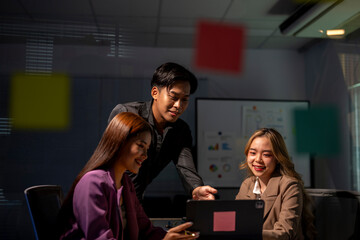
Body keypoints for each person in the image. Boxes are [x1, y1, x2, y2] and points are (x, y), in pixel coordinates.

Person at [58, 112, 199, 240]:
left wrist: (171, 237)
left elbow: (146, 230)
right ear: (120, 142)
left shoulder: (126, 183)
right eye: (140, 146)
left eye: (147, 149)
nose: (145, 156)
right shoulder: (93, 183)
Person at [108, 62, 217, 201]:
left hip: (135, 201)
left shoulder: (181, 131)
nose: (178, 105)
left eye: (184, 99)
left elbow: (186, 166)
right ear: (155, 93)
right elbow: (112, 159)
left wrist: (196, 188)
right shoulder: (127, 114)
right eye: (173, 97)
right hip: (110, 195)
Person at [235, 128, 316, 240]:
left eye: (266, 155)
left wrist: (245, 234)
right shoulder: (247, 184)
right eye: (253, 153)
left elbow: (284, 233)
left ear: (278, 158)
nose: (258, 159)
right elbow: (236, 223)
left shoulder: (290, 186)